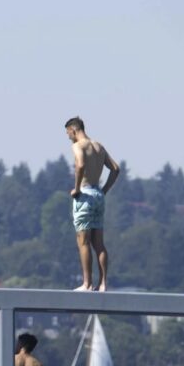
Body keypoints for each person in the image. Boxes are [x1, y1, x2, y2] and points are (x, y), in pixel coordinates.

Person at [65, 117, 120, 292]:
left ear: (73, 130)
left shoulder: (78, 146)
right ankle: (103, 283)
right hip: (98, 195)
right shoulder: (98, 146)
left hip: (85, 195)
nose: (69, 138)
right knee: (99, 244)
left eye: (68, 134)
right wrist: (104, 190)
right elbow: (115, 169)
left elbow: (80, 165)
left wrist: (76, 189)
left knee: (83, 242)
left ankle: (87, 284)